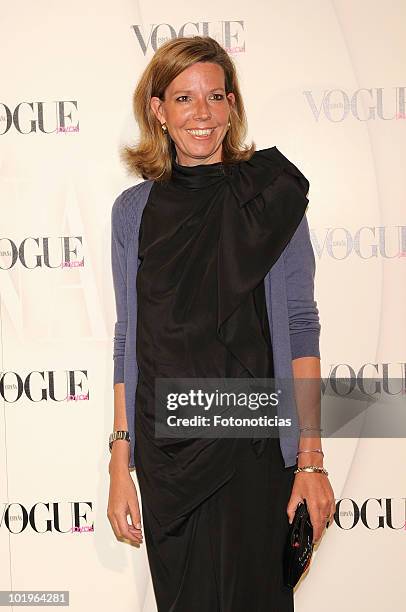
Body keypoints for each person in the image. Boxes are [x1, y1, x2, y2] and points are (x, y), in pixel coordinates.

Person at [107, 35, 336, 612]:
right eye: (183, 99)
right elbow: (128, 338)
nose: (201, 113)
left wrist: (310, 459)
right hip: (167, 459)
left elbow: (299, 326)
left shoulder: (269, 196)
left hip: (253, 446)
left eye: (215, 96)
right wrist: (119, 460)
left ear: (232, 105)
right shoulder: (132, 212)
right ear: (158, 111)